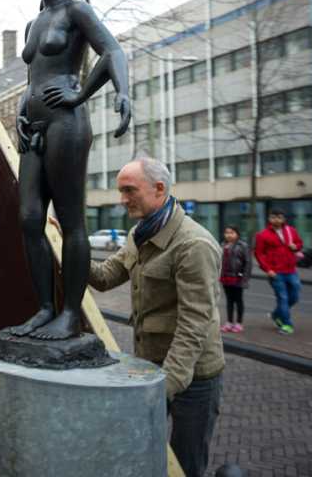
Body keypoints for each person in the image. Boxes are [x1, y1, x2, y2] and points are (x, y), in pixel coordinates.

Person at [11, 0, 130, 340]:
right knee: (29, 219)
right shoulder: (33, 24)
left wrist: (97, 93)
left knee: (71, 219)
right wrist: (20, 114)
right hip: (34, 130)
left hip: (67, 124)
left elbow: (112, 51)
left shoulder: (77, 11)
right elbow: (33, 79)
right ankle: (45, 307)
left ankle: (69, 313)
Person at [88, 157, 224, 477]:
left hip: (193, 378)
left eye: (129, 190)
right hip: (151, 371)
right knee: (137, 452)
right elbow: (105, 277)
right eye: (120, 192)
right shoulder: (140, 233)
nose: (122, 200)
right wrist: (68, 242)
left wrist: (164, 386)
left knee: (184, 464)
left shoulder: (194, 244)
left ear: (159, 188)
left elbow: (194, 324)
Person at [254, 209, 303, 335]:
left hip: (291, 269)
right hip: (276, 272)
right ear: (269, 219)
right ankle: (287, 324)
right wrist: (268, 269)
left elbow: (299, 243)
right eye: (273, 217)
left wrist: (296, 247)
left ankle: (276, 314)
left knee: (295, 295)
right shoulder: (262, 235)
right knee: (283, 298)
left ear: (283, 219)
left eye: (279, 217)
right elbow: (259, 254)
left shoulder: (291, 231)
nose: (276, 219)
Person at [219, 226, 251, 334]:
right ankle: (229, 322)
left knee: (238, 300)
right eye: (227, 232)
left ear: (237, 234)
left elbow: (248, 263)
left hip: (238, 277)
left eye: (232, 232)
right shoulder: (223, 245)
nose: (229, 235)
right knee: (229, 300)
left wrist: (245, 279)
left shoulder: (243, 245)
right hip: (226, 277)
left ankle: (239, 323)